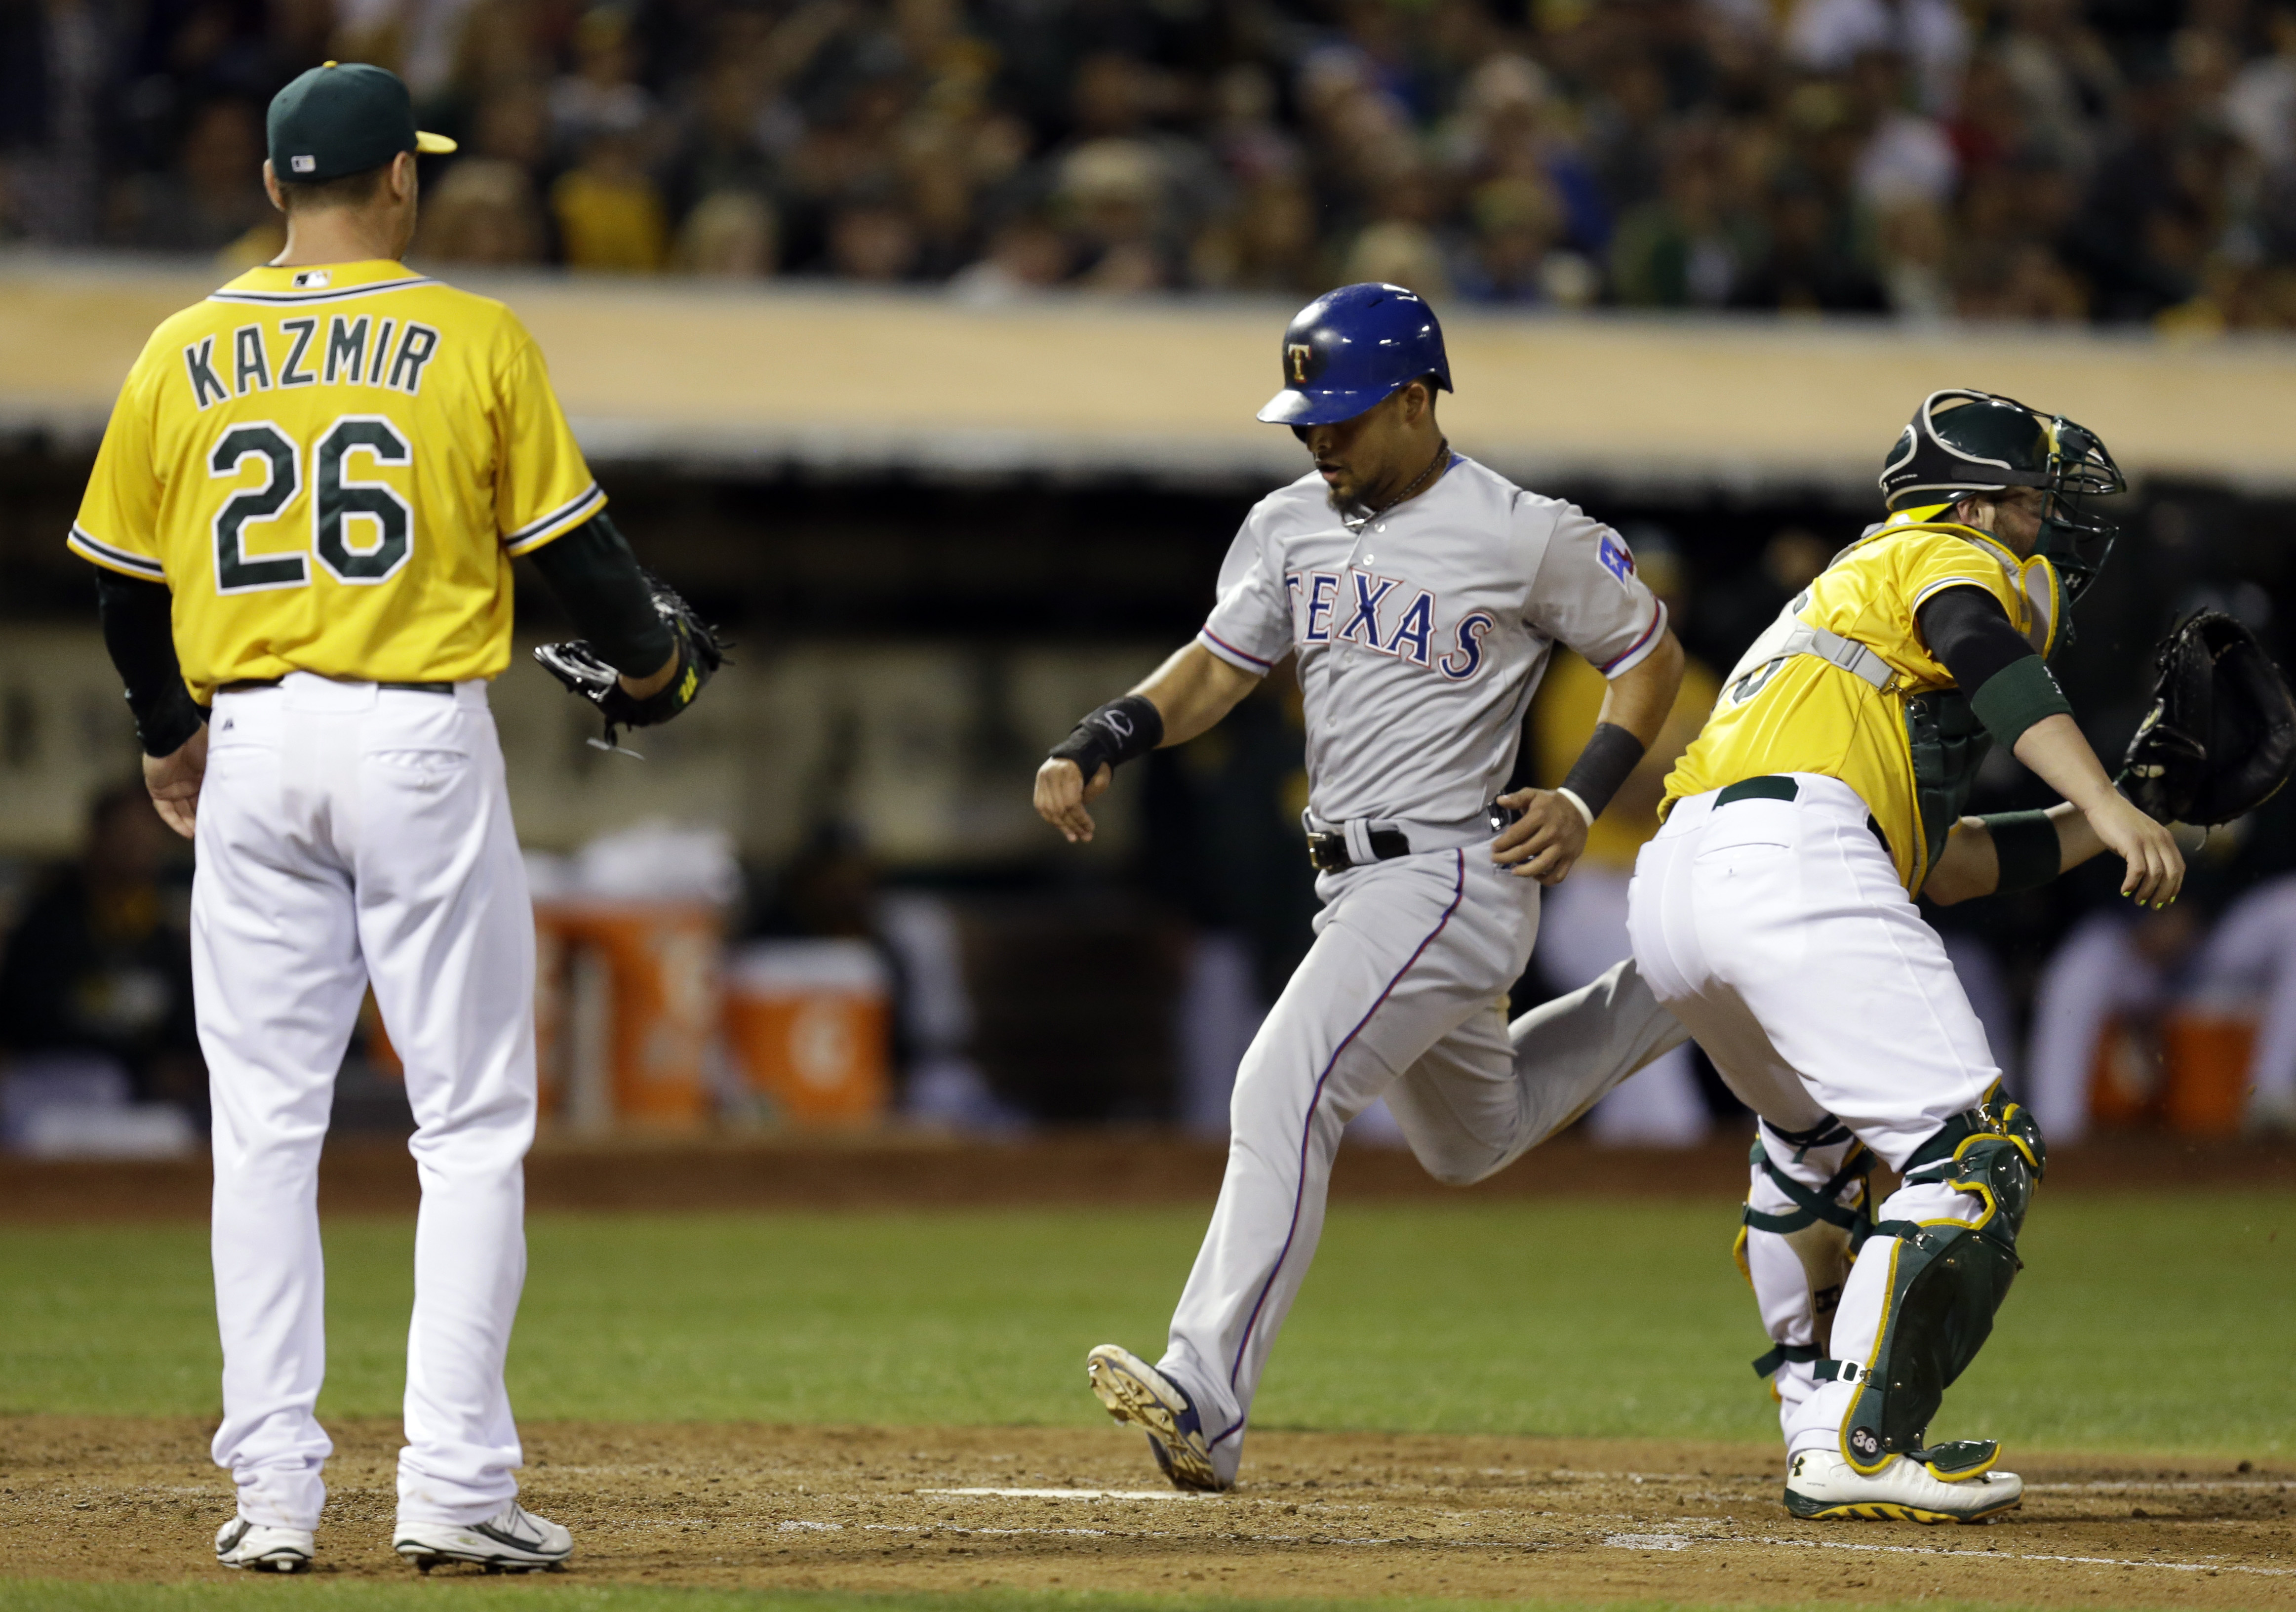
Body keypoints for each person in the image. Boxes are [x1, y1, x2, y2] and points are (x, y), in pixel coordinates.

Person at [69, 61, 707, 1574]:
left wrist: (168, 737)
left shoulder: (182, 343)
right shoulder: (471, 334)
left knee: (261, 1125)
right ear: (402, 180)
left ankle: (274, 1493)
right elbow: (585, 560)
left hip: (253, 737)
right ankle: (455, 1483)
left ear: (273, 186)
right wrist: (655, 668)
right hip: (412, 732)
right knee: (469, 1119)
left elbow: (122, 587)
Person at [1033, 282, 1689, 1492]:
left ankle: (1205, 1386)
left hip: (1449, 871)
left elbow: (1648, 653)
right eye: (1307, 418)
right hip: (1353, 883)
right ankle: (1689, 980)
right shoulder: (1287, 523)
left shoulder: (1522, 530)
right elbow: (1215, 671)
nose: (1318, 438)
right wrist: (1104, 734)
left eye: (1341, 415)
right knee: (1473, 1138)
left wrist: (1584, 795)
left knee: (1283, 1084)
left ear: (1415, 399)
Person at [1625, 389, 2180, 1521]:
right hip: (1792, 857)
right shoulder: (1939, 554)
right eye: (2030, 502)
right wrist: (2101, 798)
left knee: (1810, 1149)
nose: (2045, 527)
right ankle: (1860, 1441)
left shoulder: (1845, 627)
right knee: (1971, 1152)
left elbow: (1952, 866)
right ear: (1970, 503)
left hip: (1679, 883)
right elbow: (1983, 648)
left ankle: (1813, 1421)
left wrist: (2138, 805)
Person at [1524, 539, 1720, 1145]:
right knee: (1650, 1012)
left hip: (1676, 888)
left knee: (1647, 1040)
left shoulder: (1700, 682)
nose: (1658, 606)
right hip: (1593, 891)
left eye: (1668, 593)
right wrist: (1682, 780)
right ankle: (1673, 1149)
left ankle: (1622, 1167)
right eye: (1644, 592)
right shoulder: (1582, 678)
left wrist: (1664, 780)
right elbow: (1615, 793)